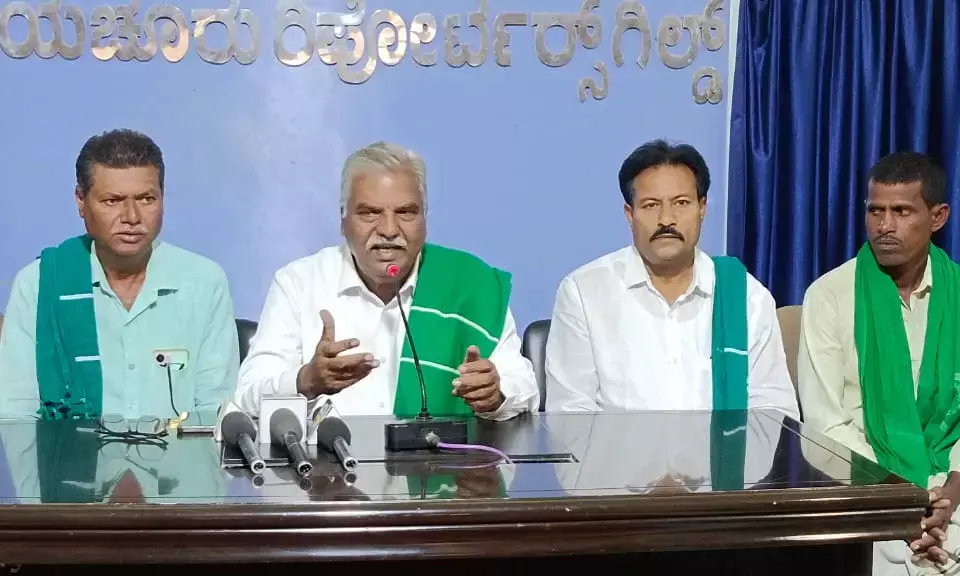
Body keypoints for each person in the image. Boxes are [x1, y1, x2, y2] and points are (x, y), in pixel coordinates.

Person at [236, 141, 539, 420]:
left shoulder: (470, 285)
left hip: (444, 460)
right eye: (370, 213)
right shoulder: (299, 283)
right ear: (343, 220)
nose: (389, 230)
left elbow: (524, 389)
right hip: (326, 460)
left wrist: (496, 395)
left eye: (406, 213)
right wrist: (306, 380)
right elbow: (248, 395)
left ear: (425, 218)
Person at [545, 139, 799, 420]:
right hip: (617, 450)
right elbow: (570, 414)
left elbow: (774, 413)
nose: (666, 219)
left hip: (723, 450)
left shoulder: (746, 297)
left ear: (702, 207)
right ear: (630, 214)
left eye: (681, 203)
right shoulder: (584, 293)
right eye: (651, 205)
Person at [0, 129, 239, 421]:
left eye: (146, 199)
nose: (132, 217)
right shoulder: (39, 285)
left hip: (180, 452)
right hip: (64, 451)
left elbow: (216, 411)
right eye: (113, 201)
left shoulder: (204, 283)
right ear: (81, 201)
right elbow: (16, 416)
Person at [798, 151, 960, 575]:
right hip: (866, 488)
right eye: (875, 211)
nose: (885, 226)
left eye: (901, 211)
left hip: (952, 485)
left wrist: (950, 491)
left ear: (938, 217)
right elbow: (823, 427)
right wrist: (901, 496)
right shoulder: (829, 295)